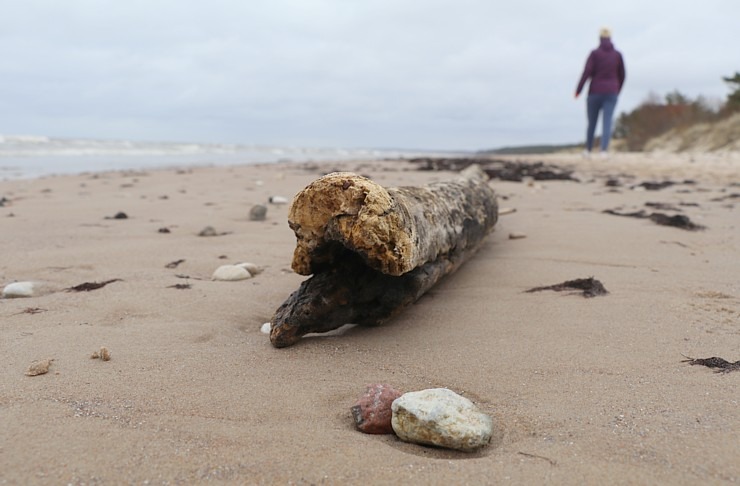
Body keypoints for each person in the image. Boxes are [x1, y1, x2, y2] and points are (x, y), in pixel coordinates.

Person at [575, 27, 626, 157]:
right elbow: (622, 75)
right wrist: (617, 89)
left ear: (599, 38)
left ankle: (588, 150)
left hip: (595, 92)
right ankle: (604, 151)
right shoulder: (617, 55)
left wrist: (578, 90)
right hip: (612, 92)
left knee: (592, 121)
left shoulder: (594, 54)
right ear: (610, 38)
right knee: (607, 121)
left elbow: (586, 72)